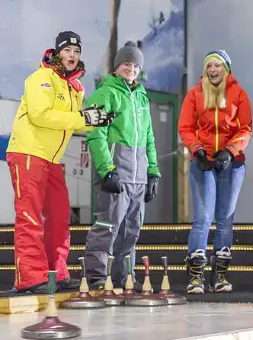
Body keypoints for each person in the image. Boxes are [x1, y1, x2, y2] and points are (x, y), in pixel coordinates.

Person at [6, 31, 113, 293]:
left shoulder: (75, 87)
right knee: (30, 216)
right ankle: (31, 277)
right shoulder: (41, 78)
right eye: (67, 51)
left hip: (52, 159)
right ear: (57, 52)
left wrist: (96, 119)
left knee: (60, 215)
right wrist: (83, 120)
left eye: (76, 52)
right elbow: (42, 115)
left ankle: (56, 272)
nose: (72, 56)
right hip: (28, 153)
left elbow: (74, 119)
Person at [82, 42, 160, 289]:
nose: (132, 69)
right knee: (107, 226)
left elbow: (149, 137)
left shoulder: (141, 98)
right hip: (116, 174)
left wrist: (153, 172)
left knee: (130, 231)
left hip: (137, 177)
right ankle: (95, 280)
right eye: (127, 63)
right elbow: (96, 134)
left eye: (136, 65)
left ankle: (124, 279)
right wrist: (106, 170)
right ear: (117, 66)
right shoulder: (105, 94)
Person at [178, 50, 252, 294]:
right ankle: (195, 276)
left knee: (224, 220)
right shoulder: (195, 94)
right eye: (209, 65)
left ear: (226, 68)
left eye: (217, 65)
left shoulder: (238, 94)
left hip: (231, 164)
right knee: (202, 219)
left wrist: (230, 152)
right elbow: (186, 127)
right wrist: (196, 149)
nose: (212, 70)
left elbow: (246, 128)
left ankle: (219, 276)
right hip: (204, 162)